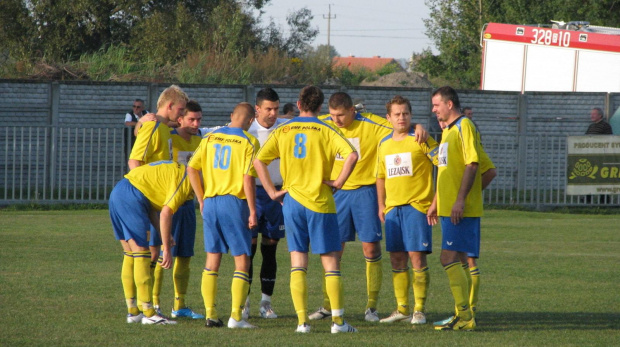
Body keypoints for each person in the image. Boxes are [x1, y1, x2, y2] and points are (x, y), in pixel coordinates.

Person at [311, 92, 428, 323]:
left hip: (366, 193)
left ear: (353, 110)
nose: (337, 120)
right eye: (333, 115)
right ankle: (327, 305)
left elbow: (399, 124)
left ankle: (371, 307)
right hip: (336, 193)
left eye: (342, 115)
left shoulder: (372, 123)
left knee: (372, 250)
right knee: (333, 251)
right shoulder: (322, 124)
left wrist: (417, 124)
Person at [253, 85, 359, 334]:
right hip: (320, 202)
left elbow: (259, 160)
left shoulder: (284, 129)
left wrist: (271, 191)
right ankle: (338, 323)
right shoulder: (326, 128)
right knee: (331, 263)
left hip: (292, 203)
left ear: (298, 105)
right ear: (321, 107)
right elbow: (352, 155)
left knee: (297, 263)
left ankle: (302, 323)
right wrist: (338, 182)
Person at [187, 102, 260, 329]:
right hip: (233, 202)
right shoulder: (249, 141)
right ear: (250, 121)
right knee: (242, 261)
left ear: (231, 116)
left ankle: (211, 314)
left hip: (210, 201)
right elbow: (248, 178)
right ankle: (236, 317)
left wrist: (201, 198)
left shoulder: (210, 138)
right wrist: (253, 209)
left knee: (212, 259)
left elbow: (191, 167)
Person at [124, 85, 188, 320]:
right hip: (146, 198)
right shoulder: (153, 125)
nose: (181, 115)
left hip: (155, 199)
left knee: (150, 253)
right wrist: (147, 195)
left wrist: (140, 124)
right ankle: (142, 307)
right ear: (169, 105)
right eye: (180, 109)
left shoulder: (159, 125)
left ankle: (142, 307)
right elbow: (134, 161)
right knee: (142, 253)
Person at [376, 95, 438, 326]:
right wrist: (381, 205)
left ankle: (419, 309)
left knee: (416, 258)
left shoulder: (421, 138)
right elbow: (380, 176)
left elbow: (443, 166)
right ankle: (402, 308)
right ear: (389, 118)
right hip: (393, 210)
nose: (401, 117)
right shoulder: (384, 144)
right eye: (397, 114)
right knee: (396, 259)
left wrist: (436, 201)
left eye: (406, 113)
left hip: (417, 207)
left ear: (411, 116)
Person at [109, 160, 193, 325]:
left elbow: (152, 206)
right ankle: (149, 313)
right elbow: (166, 213)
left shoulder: (177, 170)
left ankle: (133, 311)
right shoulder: (186, 178)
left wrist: (164, 236)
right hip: (132, 196)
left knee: (130, 254)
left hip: (120, 191)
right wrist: (166, 250)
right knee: (141, 253)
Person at [427, 86, 482, 331]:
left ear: (449, 104)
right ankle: (463, 313)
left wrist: (461, 200)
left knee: (447, 257)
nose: (433, 109)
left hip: (460, 209)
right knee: (457, 259)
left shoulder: (464, 126)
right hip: (448, 209)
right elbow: (446, 171)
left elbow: (472, 164)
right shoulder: (448, 132)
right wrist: (437, 203)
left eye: (436, 104)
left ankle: (465, 315)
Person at [154, 100, 205, 320]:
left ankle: (179, 305)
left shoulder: (201, 140)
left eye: (199, 119)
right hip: (165, 204)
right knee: (161, 254)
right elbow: (145, 127)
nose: (196, 123)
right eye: (191, 119)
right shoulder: (168, 136)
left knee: (184, 255)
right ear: (180, 118)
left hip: (187, 204)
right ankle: (154, 303)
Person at [243, 88, 288, 320]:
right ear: (257, 108)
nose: (273, 113)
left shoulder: (286, 127)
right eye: (268, 109)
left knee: (270, 250)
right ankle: (245, 302)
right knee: (248, 250)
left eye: (276, 108)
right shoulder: (246, 129)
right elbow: (201, 129)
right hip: (252, 195)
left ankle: (265, 303)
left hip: (277, 196)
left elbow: (318, 121)